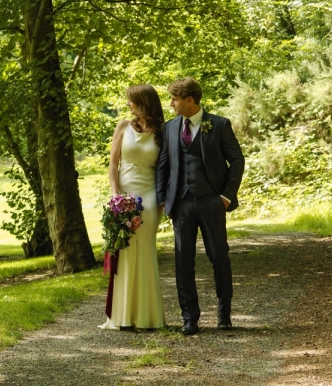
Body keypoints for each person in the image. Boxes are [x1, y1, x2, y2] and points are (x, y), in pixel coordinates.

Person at [155, 77, 245, 336]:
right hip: (180, 205)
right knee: (183, 262)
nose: (171, 104)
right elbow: (164, 165)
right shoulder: (170, 128)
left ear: (190, 100)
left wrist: (226, 197)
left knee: (219, 257)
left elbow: (237, 161)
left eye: (175, 99)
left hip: (211, 201)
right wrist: (165, 200)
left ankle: (224, 315)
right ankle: (190, 318)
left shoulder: (218, 125)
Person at [100, 84, 167, 330]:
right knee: (125, 252)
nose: (128, 104)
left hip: (149, 199)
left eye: (132, 101)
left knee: (145, 251)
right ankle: (123, 317)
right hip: (123, 196)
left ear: (145, 102)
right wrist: (116, 196)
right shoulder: (123, 127)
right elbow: (113, 164)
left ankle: (147, 317)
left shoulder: (162, 132)